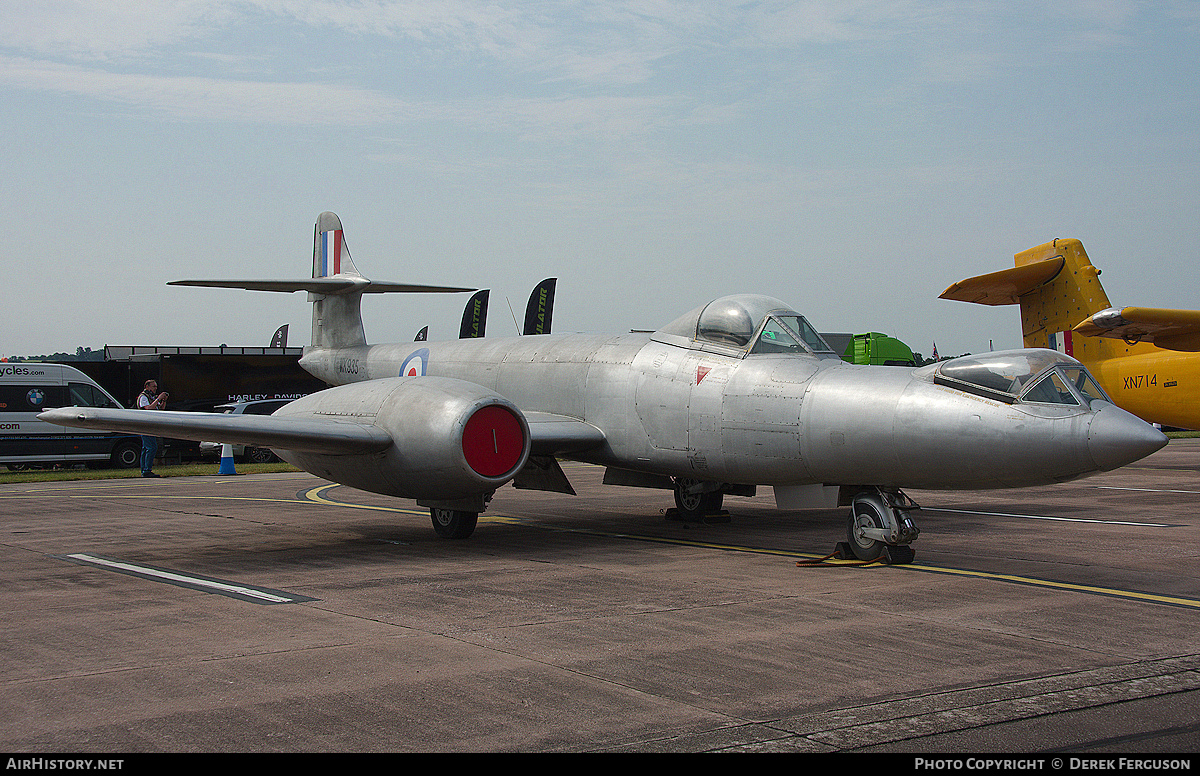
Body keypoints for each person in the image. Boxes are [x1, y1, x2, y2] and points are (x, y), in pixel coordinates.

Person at [136, 380, 168, 477]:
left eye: (156, 387)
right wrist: (158, 399)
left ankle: (145, 470)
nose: (155, 389)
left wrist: (164, 400)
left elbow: (160, 409)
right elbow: (149, 408)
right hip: (145, 426)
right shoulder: (143, 397)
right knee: (151, 447)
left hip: (151, 425)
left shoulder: (151, 397)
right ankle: (146, 470)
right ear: (147, 386)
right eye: (153, 386)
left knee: (147, 448)